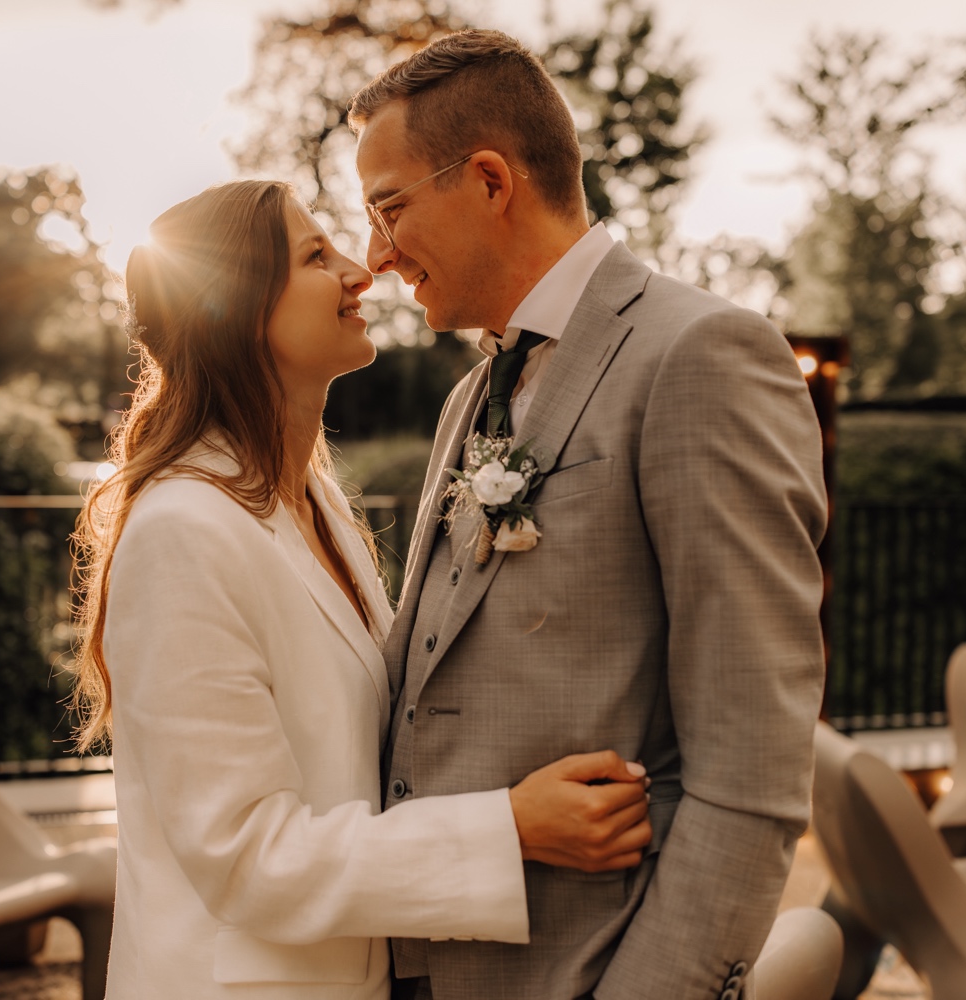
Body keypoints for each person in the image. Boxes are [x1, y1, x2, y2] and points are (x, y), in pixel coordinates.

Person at [67, 179, 655, 1000]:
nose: (360, 270)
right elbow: (246, 857)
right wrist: (510, 830)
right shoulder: (181, 533)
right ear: (235, 309)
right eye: (315, 256)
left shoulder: (314, 505)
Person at [349, 29, 828, 1000]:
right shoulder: (465, 399)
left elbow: (753, 767)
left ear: (489, 180)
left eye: (389, 208)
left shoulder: (701, 355)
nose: (377, 254)